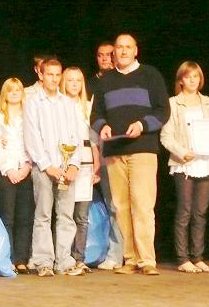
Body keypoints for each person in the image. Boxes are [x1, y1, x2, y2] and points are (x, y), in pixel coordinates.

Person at [90, 33, 170, 276]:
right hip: (115, 151)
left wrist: (143, 125)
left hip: (143, 149)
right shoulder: (105, 80)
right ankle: (130, 259)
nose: (123, 51)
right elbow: (95, 114)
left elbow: (163, 110)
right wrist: (102, 126)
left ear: (136, 51)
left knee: (142, 205)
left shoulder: (150, 75)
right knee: (120, 207)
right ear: (113, 52)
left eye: (128, 47)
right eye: (119, 47)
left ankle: (147, 260)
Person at [160, 62, 209, 273]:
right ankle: (183, 258)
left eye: (196, 77)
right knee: (185, 211)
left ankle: (198, 257)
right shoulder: (173, 103)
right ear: (181, 80)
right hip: (184, 164)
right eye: (188, 77)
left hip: (205, 161)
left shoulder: (208, 102)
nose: (192, 80)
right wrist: (181, 152)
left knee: (200, 212)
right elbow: (166, 136)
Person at [23, 59, 84, 277]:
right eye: (50, 74)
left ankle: (64, 260)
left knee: (66, 215)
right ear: (41, 75)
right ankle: (44, 261)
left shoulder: (68, 103)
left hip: (66, 168)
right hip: (44, 168)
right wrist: (47, 166)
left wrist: (74, 164)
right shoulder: (33, 102)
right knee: (43, 215)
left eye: (58, 75)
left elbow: (77, 137)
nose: (54, 79)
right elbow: (31, 137)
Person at [60, 67, 101, 273]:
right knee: (64, 214)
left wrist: (96, 164)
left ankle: (79, 258)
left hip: (85, 164)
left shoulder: (88, 107)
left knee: (82, 217)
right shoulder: (58, 106)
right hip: (65, 163)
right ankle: (63, 257)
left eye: (78, 80)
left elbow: (94, 140)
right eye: (70, 80)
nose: (74, 84)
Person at [87, 43, 124, 270]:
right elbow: (92, 119)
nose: (105, 59)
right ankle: (109, 253)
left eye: (109, 55)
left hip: (122, 148)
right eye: (100, 55)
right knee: (109, 204)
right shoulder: (92, 85)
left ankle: (122, 253)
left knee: (120, 204)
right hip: (98, 149)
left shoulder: (123, 81)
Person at [0, 78, 34, 274]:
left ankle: (21, 259)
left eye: (18, 89)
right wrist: (9, 170)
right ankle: (8, 258)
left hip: (26, 169)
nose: (15, 93)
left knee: (24, 217)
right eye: (11, 90)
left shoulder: (30, 116)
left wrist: (26, 166)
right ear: (4, 94)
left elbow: (33, 143)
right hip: (5, 172)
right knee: (7, 216)